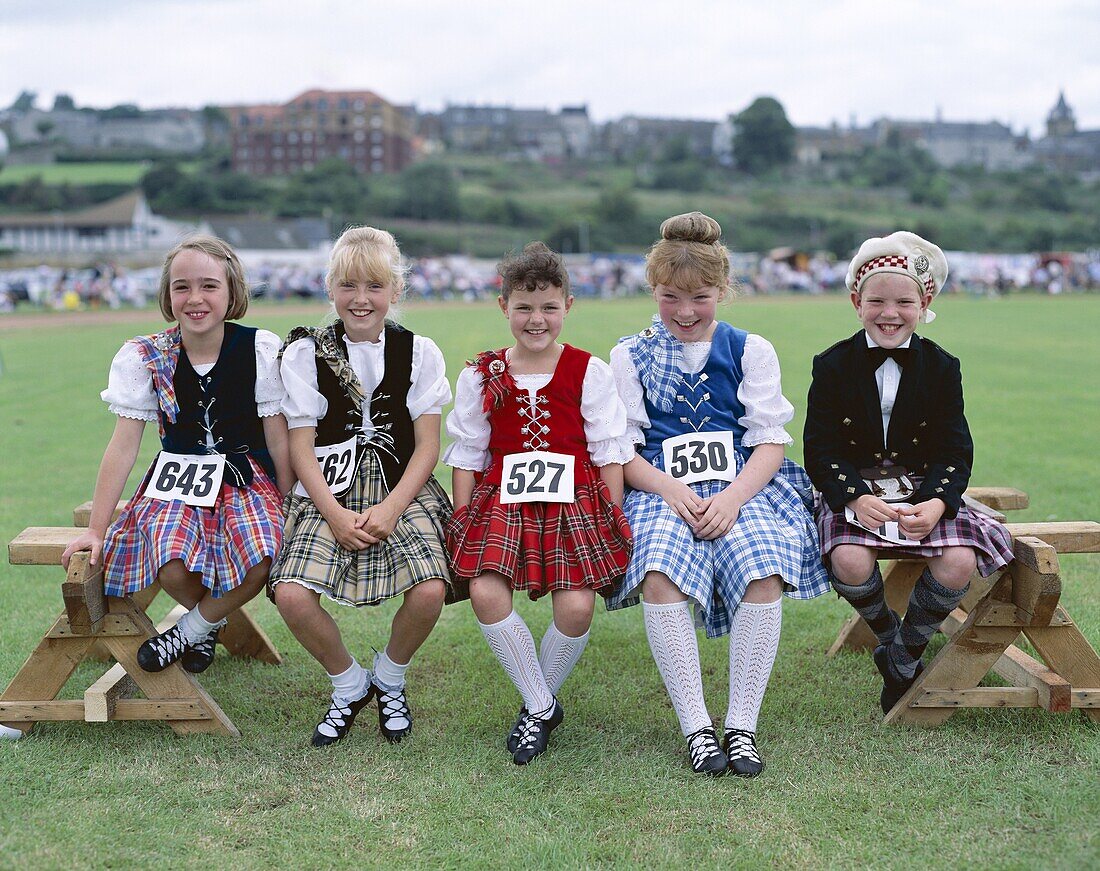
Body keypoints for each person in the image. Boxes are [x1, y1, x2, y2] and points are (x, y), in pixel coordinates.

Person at [607, 212, 829, 778]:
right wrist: (668, 488)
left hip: (743, 483)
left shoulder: (750, 349)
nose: (684, 312)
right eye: (669, 297)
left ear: (723, 291)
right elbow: (621, 449)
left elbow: (769, 442)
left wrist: (731, 498)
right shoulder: (630, 354)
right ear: (652, 291)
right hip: (661, 485)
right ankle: (697, 727)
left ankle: (742, 724)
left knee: (761, 568)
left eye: (700, 297)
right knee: (658, 568)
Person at [61, 235, 291, 674]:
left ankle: (192, 630)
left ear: (232, 292)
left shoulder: (260, 349)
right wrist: (95, 530)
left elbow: (278, 436)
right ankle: (206, 625)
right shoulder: (146, 355)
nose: (195, 298)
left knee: (263, 553)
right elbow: (123, 445)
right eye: (182, 286)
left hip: (247, 479)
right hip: (179, 479)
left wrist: (288, 499)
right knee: (168, 561)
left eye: (209, 286)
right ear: (168, 295)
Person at [804, 231, 1013, 715]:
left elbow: (955, 449)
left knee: (958, 561)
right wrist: (854, 498)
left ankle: (905, 655)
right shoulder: (831, 364)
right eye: (876, 300)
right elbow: (820, 448)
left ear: (926, 301)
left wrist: (939, 501)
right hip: (856, 488)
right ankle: (888, 637)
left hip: (922, 488)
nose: (889, 313)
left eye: (903, 301)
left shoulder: (942, 366)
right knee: (850, 561)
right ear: (857, 302)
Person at [446, 242, 633, 765]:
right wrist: (463, 516)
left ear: (568, 306)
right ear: (503, 305)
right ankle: (540, 705)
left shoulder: (586, 370)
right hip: (503, 500)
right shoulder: (482, 373)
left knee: (576, 606)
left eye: (549, 307)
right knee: (485, 592)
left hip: (574, 501)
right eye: (524, 307)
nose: (536, 319)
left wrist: (610, 514)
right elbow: (468, 452)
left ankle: (534, 707)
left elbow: (608, 450)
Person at [269, 226, 455, 748]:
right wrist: (330, 512)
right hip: (328, 486)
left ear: (395, 291)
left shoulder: (420, 351)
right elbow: (300, 446)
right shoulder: (307, 353)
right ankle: (349, 683)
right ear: (331, 290)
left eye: (374, 286)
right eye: (348, 285)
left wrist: (395, 508)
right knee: (290, 594)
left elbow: (427, 446)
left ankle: (390, 676)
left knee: (430, 589)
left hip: (401, 484)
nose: (361, 299)